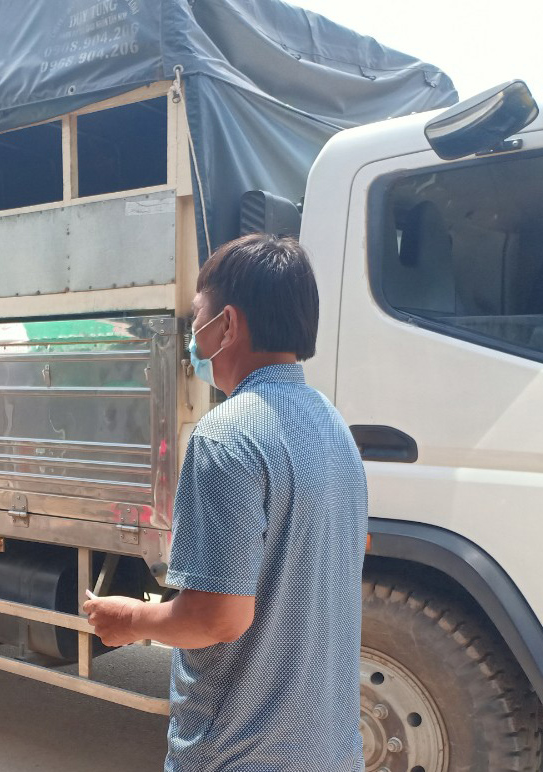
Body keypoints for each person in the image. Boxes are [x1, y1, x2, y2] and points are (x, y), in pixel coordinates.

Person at [84, 234, 368, 772]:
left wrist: (131, 619)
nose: (192, 334)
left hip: (241, 755)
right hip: (328, 750)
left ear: (228, 325)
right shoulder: (333, 426)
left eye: (198, 316)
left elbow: (216, 618)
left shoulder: (228, 435)